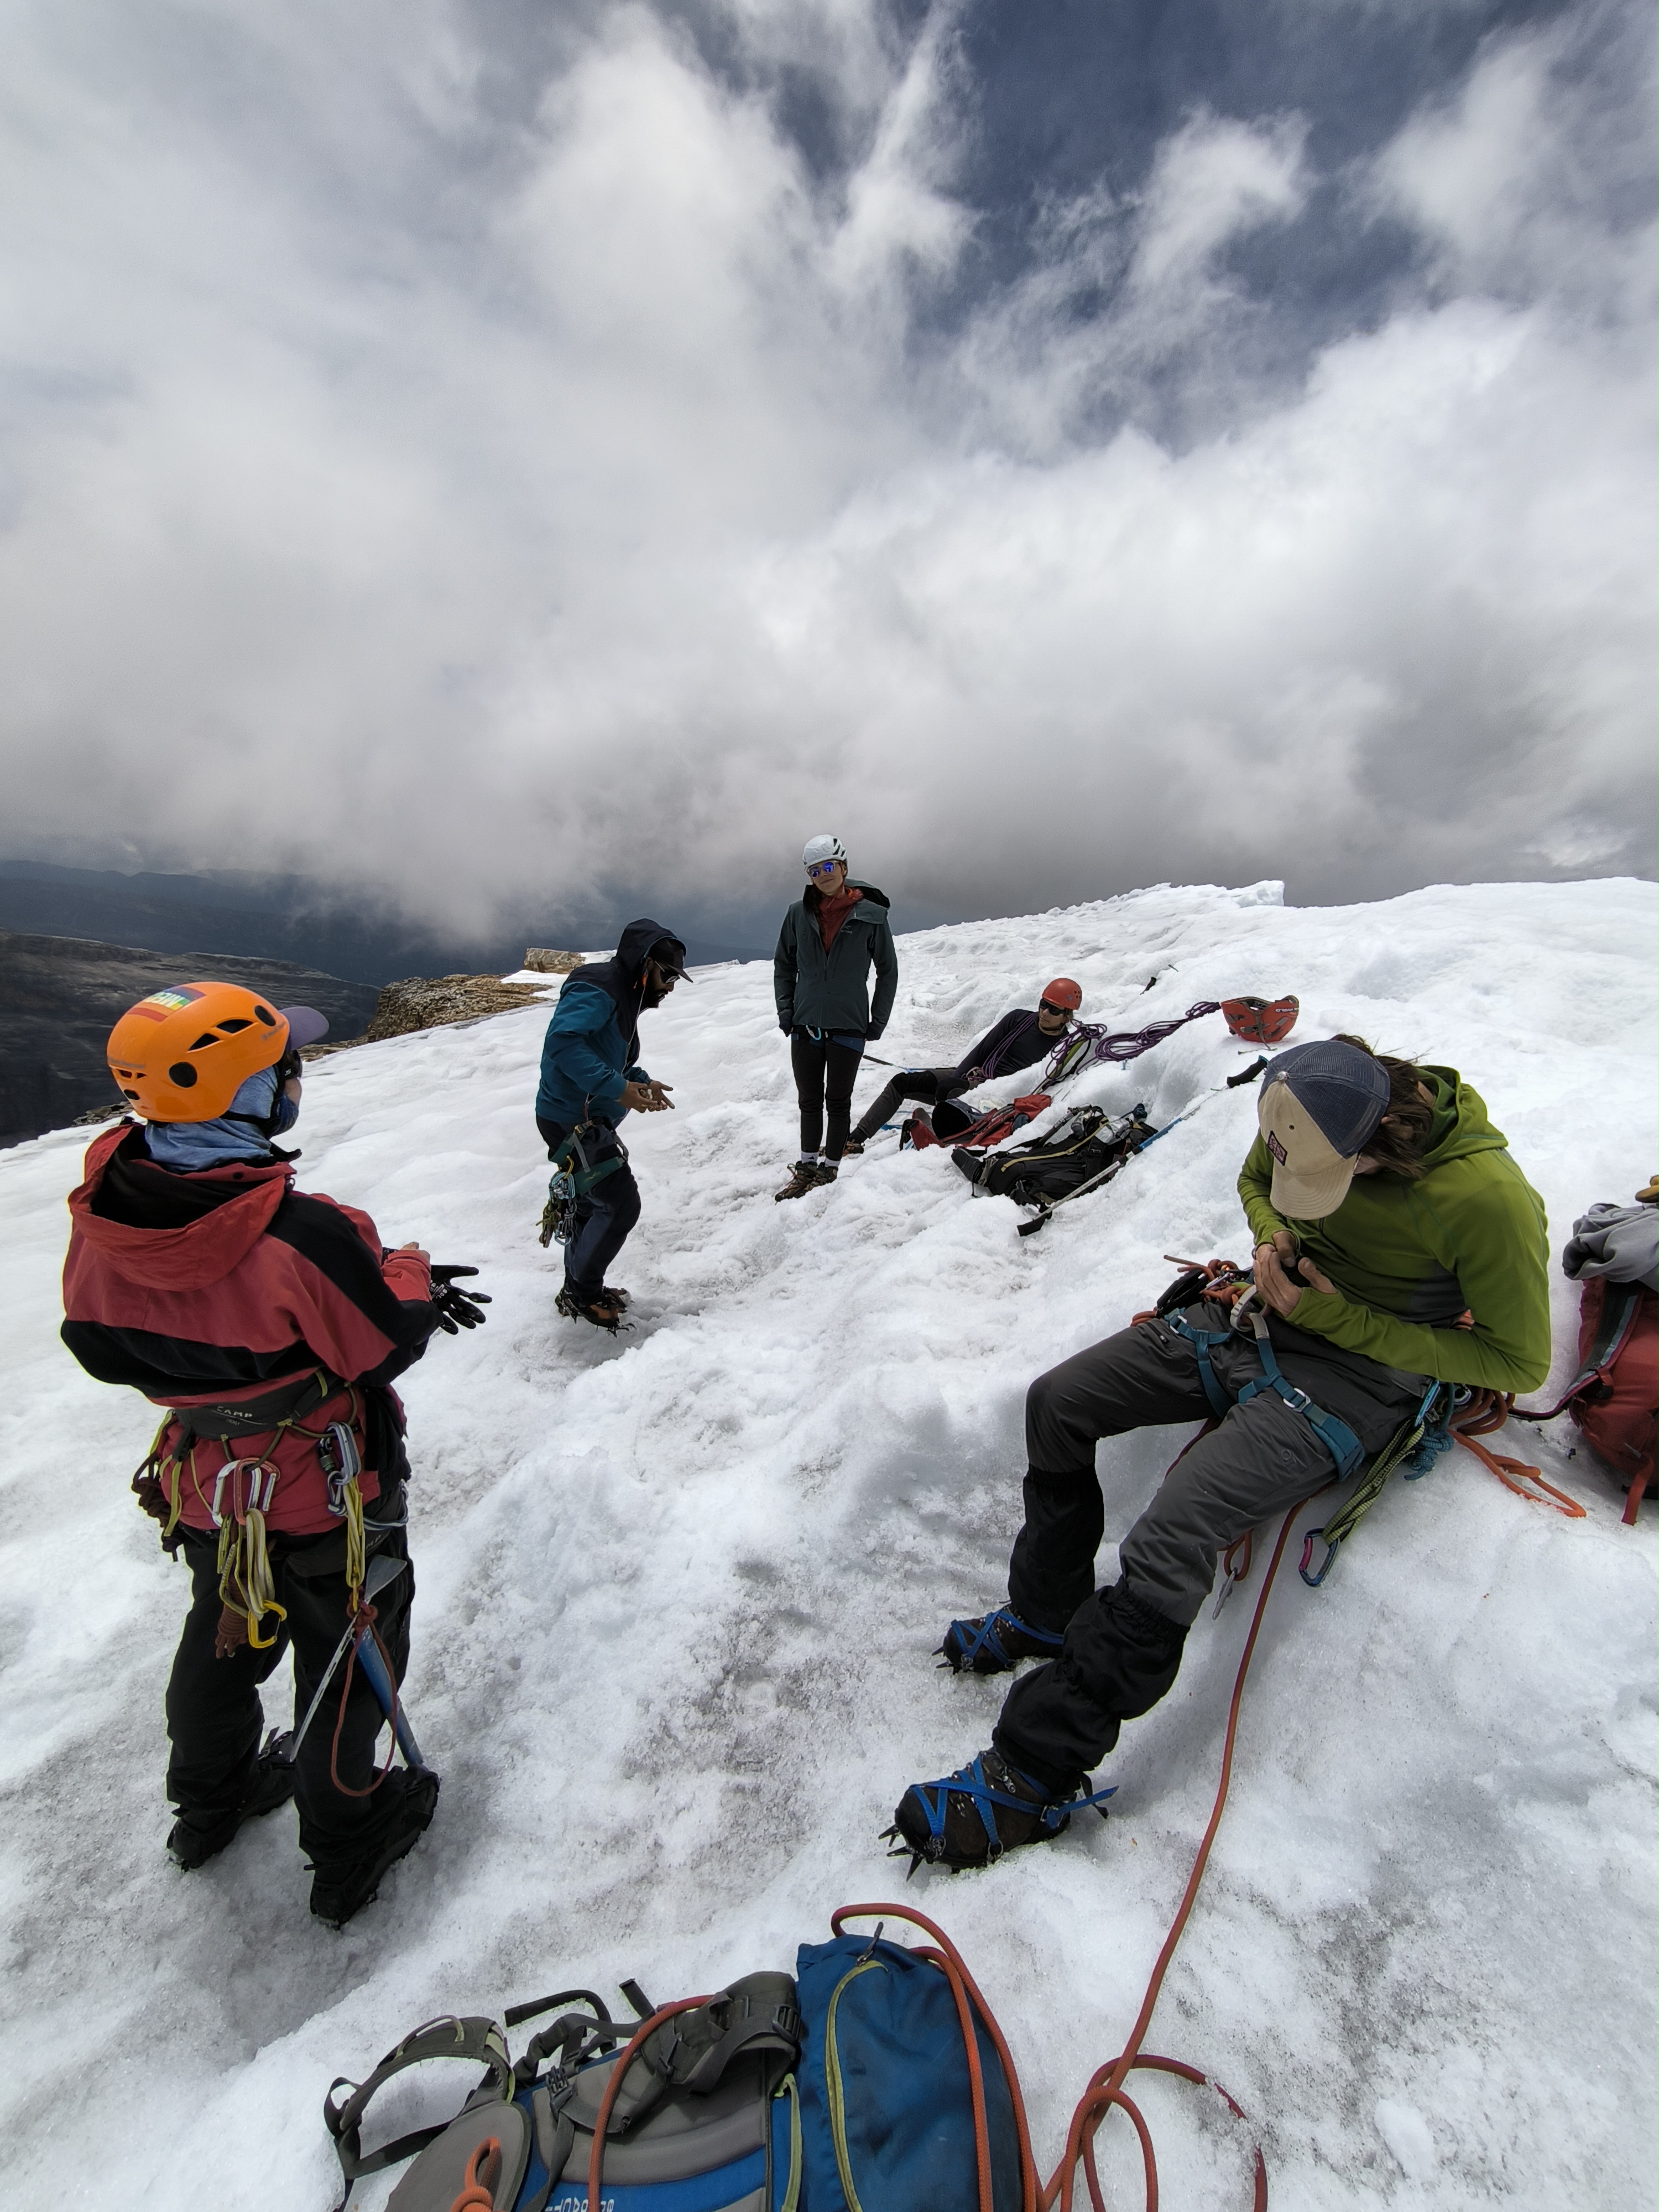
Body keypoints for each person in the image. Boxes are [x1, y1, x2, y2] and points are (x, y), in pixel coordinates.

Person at [890, 1034, 1551, 1870]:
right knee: (1059, 1403)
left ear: (1381, 1143)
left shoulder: (1486, 1199)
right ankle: (1047, 1613)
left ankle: (1035, 1769)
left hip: (1358, 1378)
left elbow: (1516, 1361)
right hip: (1261, 1316)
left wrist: (1344, 1320)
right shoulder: (1310, 1105)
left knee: (1176, 1530)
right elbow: (1255, 1180)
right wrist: (1273, 1242)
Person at [61, 982, 486, 1926]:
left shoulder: (106, 1210)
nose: (295, 1078)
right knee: (348, 1647)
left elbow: (95, 1342)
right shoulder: (303, 1233)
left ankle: (207, 1804)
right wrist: (407, 1268)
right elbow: (381, 1346)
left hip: (207, 1480)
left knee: (223, 1626)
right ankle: (348, 1837)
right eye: (283, 1068)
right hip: (324, 1488)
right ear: (248, 1093)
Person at [536, 919, 687, 1329]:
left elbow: (606, 1058)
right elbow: (565, 1045)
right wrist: (619, 1089)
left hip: (579, 1118)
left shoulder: (623, 992)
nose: (671, 987)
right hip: (571, 1120)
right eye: (669, 975)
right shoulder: (599, 988)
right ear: (646, 963)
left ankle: (577, 1288)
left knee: (593, 1204)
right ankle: (582, 1294)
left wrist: (638, 1082)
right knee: (620, 1205)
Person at [772, 834, 898, 1201]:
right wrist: (787, 1011)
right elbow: (784, 965)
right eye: (815, 870)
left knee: (838, 1102)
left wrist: (877, 1021)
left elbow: (888, 971)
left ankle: (829, 1170)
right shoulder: (797, 914)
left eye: (829, 866)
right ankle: (807, 1168)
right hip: (806, 1022)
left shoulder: (871, 916)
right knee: (809, 1101)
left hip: (849, 1023)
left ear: (843, 867)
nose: (823, 875)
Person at [843, 978, 1082, 1152]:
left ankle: (941, 1137)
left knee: (947, 1089)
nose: (1044, 1012)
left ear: (1067, 1016)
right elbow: (982, 1050)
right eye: (1043, 1004)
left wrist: (954, 1085)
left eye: (1053, 1010)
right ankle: (856, 1139)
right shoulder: (1019, 1019)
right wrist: (958, 1077)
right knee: (902, 1083)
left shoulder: (1063, 1047)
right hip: (978, 1077)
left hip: (1000, 1095)